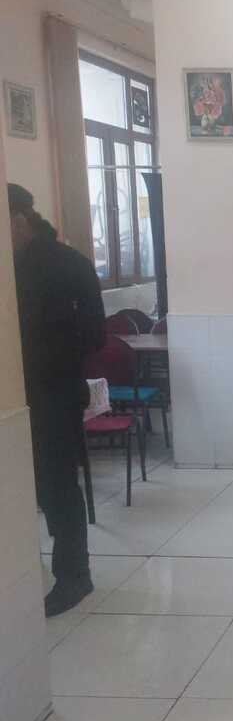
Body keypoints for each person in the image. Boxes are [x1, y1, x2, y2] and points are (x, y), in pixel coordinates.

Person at [8, 184, 105, 616]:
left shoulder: (66, 265)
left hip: (53, 394)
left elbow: (95, 335)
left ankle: (73, 575)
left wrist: (51, 356)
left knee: (56, 486)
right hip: (33, 393)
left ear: (18, 222)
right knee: (34, 487)